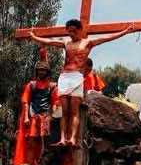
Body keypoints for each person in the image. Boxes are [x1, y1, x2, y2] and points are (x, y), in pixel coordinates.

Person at [27, 19, 135, 147]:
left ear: (79, 30)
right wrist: (34, 37)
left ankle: (72, 138)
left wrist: (125, 31)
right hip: (65, 77)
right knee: (64, 111)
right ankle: (62, 138)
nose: (71, 34)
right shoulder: (66, 43)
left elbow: (107, 38)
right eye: (69, 31)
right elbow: (49, 41)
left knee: (74, 111)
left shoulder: (87, 43)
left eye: (73, 31)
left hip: (77, 76)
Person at [13, 49, 58, 165]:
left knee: (45, 143)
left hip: (46, 116)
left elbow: (55, 102)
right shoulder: (31, 84)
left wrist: (52, 117)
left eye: (43, 70)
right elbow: (26, 101)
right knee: (31, 142)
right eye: (39, 70)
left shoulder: (53, 86)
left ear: (47, 72)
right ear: (37, 71)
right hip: (33, 116)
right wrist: (26, 117)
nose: (41, 72)